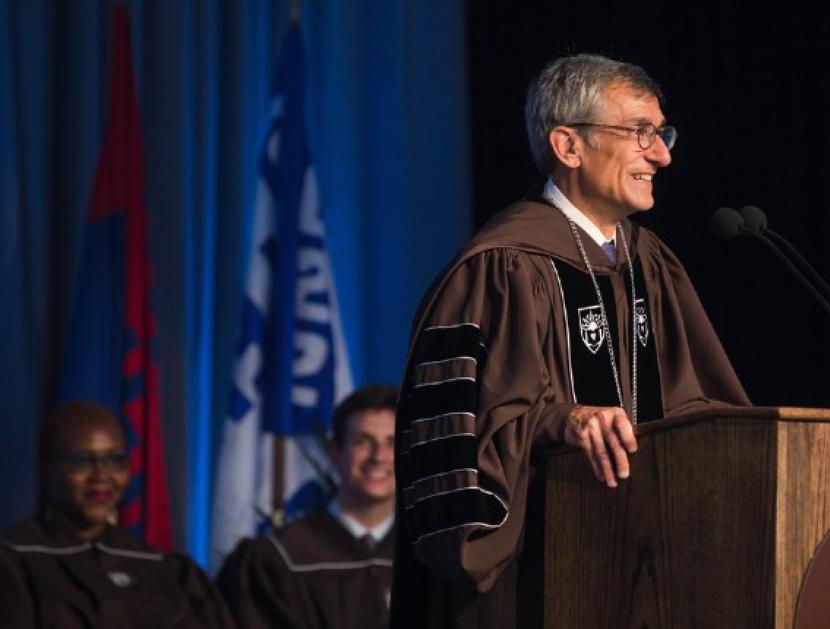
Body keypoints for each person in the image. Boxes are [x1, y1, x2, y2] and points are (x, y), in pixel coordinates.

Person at [390, 53, 751, 628]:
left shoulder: (651, 265)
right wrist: (559, 420)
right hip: (531, 586)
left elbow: (702, 407)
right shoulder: (500, 267)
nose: (662, 154)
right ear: (568, 146)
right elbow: (455, 439)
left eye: (661, 134)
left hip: (649, 578)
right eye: (641, 132)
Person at [0, 400, 235, 628]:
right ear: (44, 468)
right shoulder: (14, 563)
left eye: (115, 461)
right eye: (81, 461)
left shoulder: (167, 569)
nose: (101, 475)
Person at [217, 384, 398, 629]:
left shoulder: (429, 555)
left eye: (392, 443)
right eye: (363, 441)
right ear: (335, 454)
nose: (379, 456)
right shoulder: (277, 558)